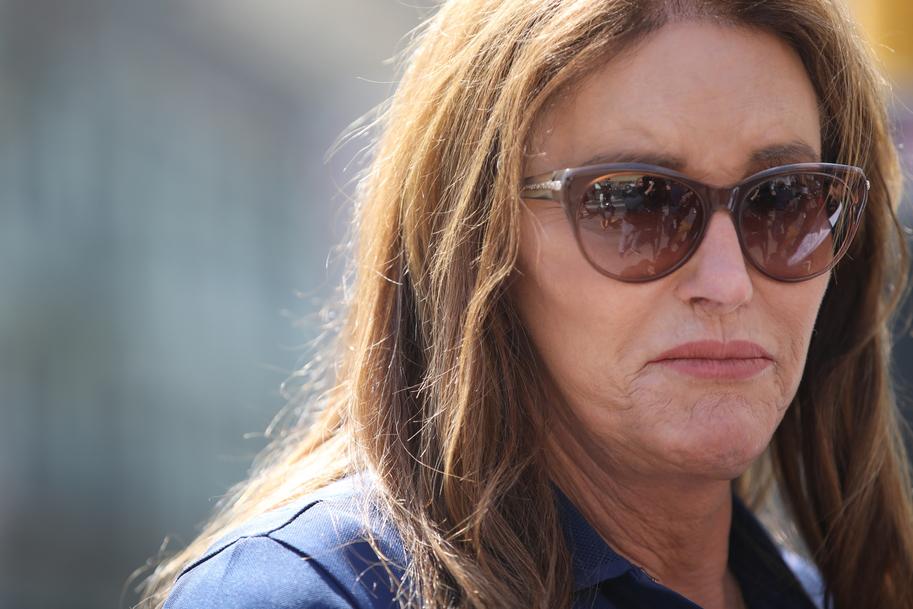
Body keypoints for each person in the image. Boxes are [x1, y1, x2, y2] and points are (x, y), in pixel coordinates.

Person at [139, 1, 913, 608]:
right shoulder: (302, 596)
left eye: (783, 199)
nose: (728, 280)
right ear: (478, 244)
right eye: (634, 201)